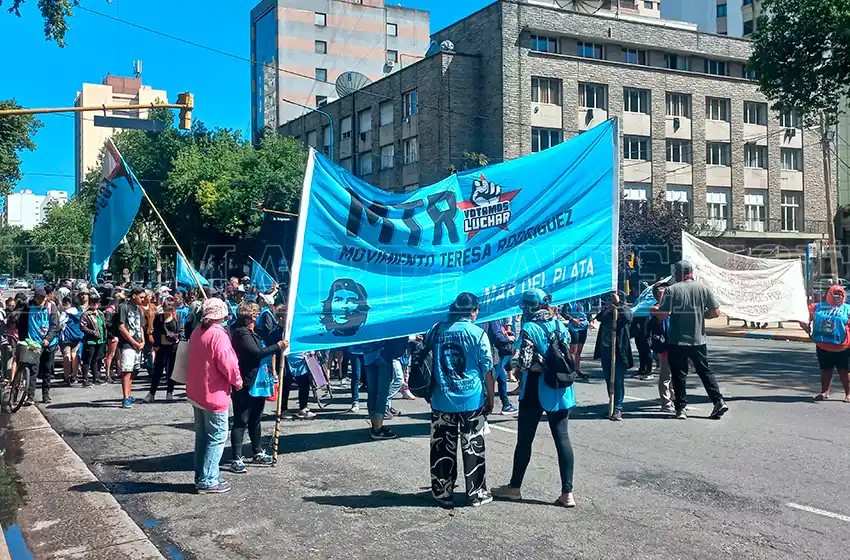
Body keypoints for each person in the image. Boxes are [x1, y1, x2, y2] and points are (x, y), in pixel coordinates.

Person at [492, 289, 576, 507]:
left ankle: (514, 487)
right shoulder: (559, 324)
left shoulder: (530, 327)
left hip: (535, 390)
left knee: (525, 441)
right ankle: (567, 493)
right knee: (562, 439)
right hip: (561, 388)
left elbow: (525, 363)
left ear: (529, 306)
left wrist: (518, 368)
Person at [426, 292, 495, 508]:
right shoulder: (478, 333)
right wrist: (490, 398)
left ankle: (442, 492)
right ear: (473, 311)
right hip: (472, 400)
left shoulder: (436, 330)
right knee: (473, 446)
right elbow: (488, 370)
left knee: (441, 447)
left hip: (441, 398)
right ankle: (476, 493)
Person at [656, 260, 728, 420]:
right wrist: (701, 315)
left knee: (679, 374)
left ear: (676, 274)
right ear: (691, 273)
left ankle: (681, 408)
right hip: (698, 339)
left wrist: (656, 309)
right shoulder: (704, 288)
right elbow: (715, 312)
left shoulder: (671, 290)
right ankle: (718, 400)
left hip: (677, 340)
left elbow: (663, 315)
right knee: (705, 371)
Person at [186, 298, 243, 494]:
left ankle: (203, 475)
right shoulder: (218, 335)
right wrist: (237, 380)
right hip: (214, 393)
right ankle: (208, 478)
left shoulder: (197, 331)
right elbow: (227, 363)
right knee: (217, 436)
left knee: (202, 437)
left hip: (197, 390)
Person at [229, 302, 288, 473]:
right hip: (246, 381)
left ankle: (257, 452)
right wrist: (278, 346)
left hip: (259, 381)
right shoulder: (241, 333)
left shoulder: (254, 331)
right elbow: (257, 352)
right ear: (252, 316)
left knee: (255, 418)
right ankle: (236, 457)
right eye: (257, 313)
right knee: (241, 420)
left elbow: (271, 336)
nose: (259, 316)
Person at [801, 284, 850, 402]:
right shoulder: (818, 307)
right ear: (829, 294)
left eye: (840, 294)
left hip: (843, 347)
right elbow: (803, 316)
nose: (838, 296)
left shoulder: (847, 309)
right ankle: (824, 392)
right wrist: (805, 327)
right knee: (825, 370)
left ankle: (848, 394)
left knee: (845, 371)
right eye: (835, 294)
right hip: (823, 346)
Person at [595, 291, 633, 421]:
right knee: (608, 380)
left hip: (619, 352)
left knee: (617, 380)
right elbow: (598, 318)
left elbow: (628, 317)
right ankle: (611, 403)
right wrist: (608, 308)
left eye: (611, 300)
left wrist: (618, 304)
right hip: (606, 350)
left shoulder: (624, 311)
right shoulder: (607, 312)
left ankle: (618, 407)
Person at [23, 287, 60, 405]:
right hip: (33, 344)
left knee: (47, 369)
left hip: (49, 344)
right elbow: (22, 323)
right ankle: (30, 396)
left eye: (43, 298)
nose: (41, 300)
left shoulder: (51, 307)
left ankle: (46, 394)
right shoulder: (28, 307)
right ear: (35, 297)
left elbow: (55, 326)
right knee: (33, 370)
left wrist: (48, 339)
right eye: (39, 297)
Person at [143, 297, 183, 403]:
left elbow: (181, 331)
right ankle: (152, 393)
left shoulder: (176, 317)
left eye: (169, 310)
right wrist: (156, 345)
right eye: (165, 309)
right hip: (161, 347)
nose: (167, 312)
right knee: (158, 371)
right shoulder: (159, 318)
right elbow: (155, 332)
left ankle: (169, 392)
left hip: (174, 347)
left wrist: (179, 339)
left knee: (171, 371)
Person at [117, 287, 146, 409]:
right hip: (128, 344)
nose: (143, 299)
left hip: (138, 343)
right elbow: (121, 326)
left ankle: (129, 395)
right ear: (134, 296)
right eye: (141, 297)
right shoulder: (124, 307)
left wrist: (143, 341)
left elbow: (140, 327)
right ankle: (125, 397)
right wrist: (133, 341)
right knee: (126, 371)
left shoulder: (139, 309)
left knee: (134, 370)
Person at [483, 318, 518, 415]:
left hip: (494, 352)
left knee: (502, 377)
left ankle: (506, 404)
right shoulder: (493, 318)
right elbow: (497, 336)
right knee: (491, 380)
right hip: (493, 352)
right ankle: (486, 407)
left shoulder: (490, 317)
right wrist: (508, 338)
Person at [648, 284, 674, 413]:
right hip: (663, 346)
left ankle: (675, 399)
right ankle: (666, 402)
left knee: (676, 375)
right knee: (665, 376)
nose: (664, 292)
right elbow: (663, 315)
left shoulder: (674, 306)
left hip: (676, 343)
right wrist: (663, 297)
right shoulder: (654, 308)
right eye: (660, 291)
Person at [80, 295, 106, 387]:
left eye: (96, 302)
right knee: (87, 360)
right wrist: (92, 332)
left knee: (96, 359)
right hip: (90, 341)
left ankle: (96, 378)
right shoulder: (86, 314)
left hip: (100, 341)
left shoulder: (100, 313)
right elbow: (82, 327)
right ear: (90, 303)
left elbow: (103, 326)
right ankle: (85, 379)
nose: (95, 304)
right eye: (93, 302)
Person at [59, 296, 83, 385]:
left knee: (66, 356)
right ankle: (74, 376)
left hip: (66, 338)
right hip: (77, 337)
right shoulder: (80, 313)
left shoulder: (65, 313)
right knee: (75, 356)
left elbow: (59, 324)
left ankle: (66, 377)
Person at [563, 302, 590, 380]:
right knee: (573, 351)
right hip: (573, 327)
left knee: (579, 351)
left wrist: (590, 320)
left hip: (583, 326)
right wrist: (573, 319)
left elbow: (588, 313)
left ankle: (577, 370)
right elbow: (564, 313)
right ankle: (571, 370)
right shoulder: (570, 302)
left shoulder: (585, 301)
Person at [102, 293, 121, 383]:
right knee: (111, 355)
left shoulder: (116, 309)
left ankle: (119, 372)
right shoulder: (109, 310)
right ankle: (107, 374)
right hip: (112, 335)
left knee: (118, 355)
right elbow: (107, 324)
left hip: (117, 334)